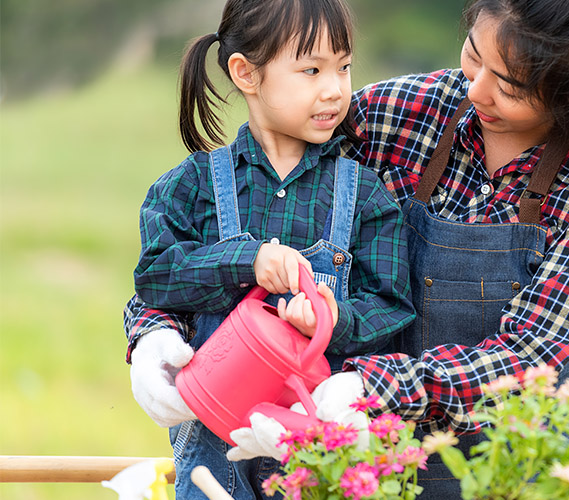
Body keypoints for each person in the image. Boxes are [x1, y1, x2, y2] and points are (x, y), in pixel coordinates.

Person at [126, 0, 569, 496]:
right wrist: (154, 330)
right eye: (473, 56)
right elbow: (257, 204)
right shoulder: (401, 113)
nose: (476, 90)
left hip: (515, 471)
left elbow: (531, 355)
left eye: (510, 87)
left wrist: (368, 389)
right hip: (374, 473)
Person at [128, 0, 414, 497]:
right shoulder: (191, 185)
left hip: (312, 444)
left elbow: (393, 305)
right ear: (246, 73)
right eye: (311, 69)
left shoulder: (364, 194)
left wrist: (333, 318)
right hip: (214, 436)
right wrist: (247, 261)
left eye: (343, 67)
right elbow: (155, 275)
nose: (335, 89)